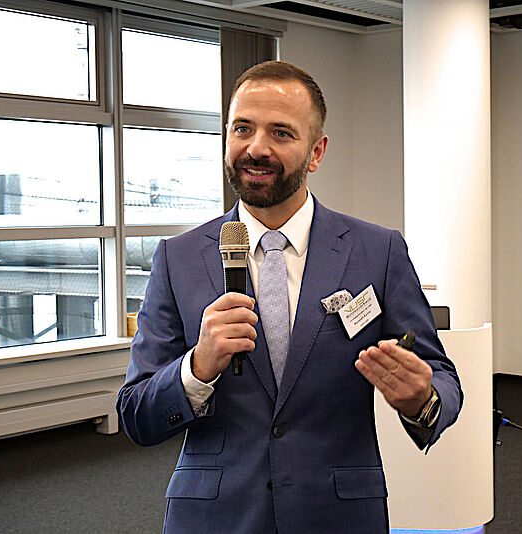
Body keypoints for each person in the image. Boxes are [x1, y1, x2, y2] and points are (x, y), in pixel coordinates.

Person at [116, 61, 462, 534]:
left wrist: (422, 398)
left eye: (281, 133)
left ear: (316, 152)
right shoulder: (177, 258)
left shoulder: (376, 251)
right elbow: (137, 414)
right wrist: (197, 367)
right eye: (243, 129)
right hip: (215, 516)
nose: (256, 148)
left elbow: (441, 376)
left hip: (338, 514)